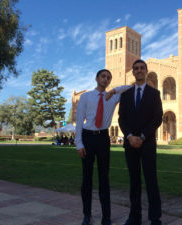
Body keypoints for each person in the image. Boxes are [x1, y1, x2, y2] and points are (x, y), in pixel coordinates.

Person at [75, 69, 130, 225]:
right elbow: (79, 121)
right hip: (87, 137)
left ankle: (106, 217)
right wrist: (79, 143)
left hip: (103, 138)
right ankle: (87, 215)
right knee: (87, 179)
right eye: (103, 76)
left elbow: (130, 87)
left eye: (108, 78)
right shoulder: (85, 97)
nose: (105, 79)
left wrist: (113, 91)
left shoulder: (113, 97)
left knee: (104, 179)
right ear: (96, 78)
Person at [118, 59, 163, 225]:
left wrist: (142, 137)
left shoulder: (154, 94)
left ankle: (155, 218)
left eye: (141, 68)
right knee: (134, 180)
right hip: (130, 144)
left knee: (151, 180)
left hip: (148, 144)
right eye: (136, 68)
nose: (139, 70)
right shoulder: (126, 95)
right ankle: (134, 217)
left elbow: (157, 119)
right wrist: (129, 136)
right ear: (133, 72)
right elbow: (122, 119)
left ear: (146, 71)